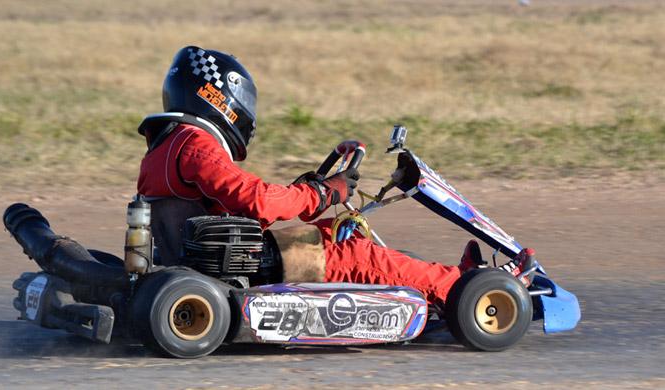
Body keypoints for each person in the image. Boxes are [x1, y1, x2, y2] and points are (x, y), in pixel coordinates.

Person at [136, 46, 534, 307]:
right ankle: (468, 291)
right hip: (239, 265)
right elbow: (258, 201)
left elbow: (238, 204)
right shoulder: (195, 144)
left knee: (349, 239)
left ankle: (442, 282)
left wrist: (316, 189)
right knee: (355, 254)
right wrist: (320, 194)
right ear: (218, 98)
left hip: (223, 255)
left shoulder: (167, 145)